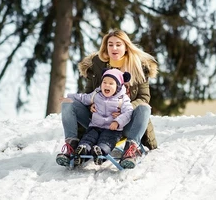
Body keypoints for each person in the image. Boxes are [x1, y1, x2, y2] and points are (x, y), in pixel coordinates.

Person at [56, 29, 158, 169]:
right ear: (105, 47)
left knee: (145, 108)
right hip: (98, 121)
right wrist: (90, 105)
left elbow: (144, 98)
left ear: (126, 47)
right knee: (68, 104)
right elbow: (88, 93)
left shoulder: (138, 66)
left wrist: (123, 110)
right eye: (110, 44)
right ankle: (71, 145)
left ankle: (131, 149)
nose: (114, 48)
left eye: (118, 44)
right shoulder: (97, 64)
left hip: (125, 124)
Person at [62, 68, 134, 166]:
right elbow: (83, 98)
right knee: (88, 138)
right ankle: (82, 151)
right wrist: (69, 96)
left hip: (112, 129)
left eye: (111, 83)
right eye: (104, 82)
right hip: (95, 126)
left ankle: (100, 153)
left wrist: (117, 122)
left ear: (118, 86)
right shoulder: (96, 94)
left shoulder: (123, 99)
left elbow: (128, 112)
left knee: (106, 142)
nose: (107, 85)